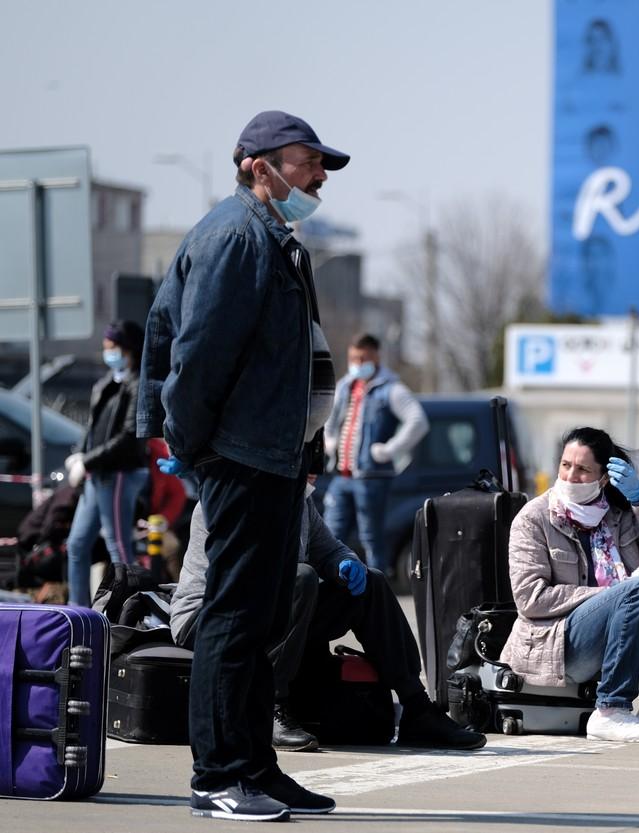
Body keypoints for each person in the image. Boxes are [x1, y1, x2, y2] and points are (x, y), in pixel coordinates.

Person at [137, 110, 349, 821]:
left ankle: (257, 764)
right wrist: (197, 449)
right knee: (231, 617)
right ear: (259, 167)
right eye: (306, 163)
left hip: (275, 459)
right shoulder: (235, 237)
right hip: (241, 460)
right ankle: (217, 773)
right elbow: (193, 357)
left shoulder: (274, 239)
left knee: (259, 619)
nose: (318, 178)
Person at [170, 488, 487, 753]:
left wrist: (345, 563)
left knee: (371, 583)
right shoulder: (228, 496)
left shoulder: (298, 500)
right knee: (299, 578)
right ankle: (268, 708)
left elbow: (327, 548)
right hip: (209, 618)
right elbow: (242, 579)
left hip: (264, 613)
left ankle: (417, 708)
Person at [500, 427, 639, 743]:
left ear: (603, 478)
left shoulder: (617, 513)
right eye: (566, 465)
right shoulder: (534, 518)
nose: (571, 476)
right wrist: (611, 595)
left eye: (583, 469)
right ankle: (611, 711)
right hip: (558, 644)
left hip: (619, 635)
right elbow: (531, 599)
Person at [323, 333, 428, 575]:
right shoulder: (345, 386)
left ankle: (375, 592)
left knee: (371, 538)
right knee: (329, 533)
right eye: (353, 358)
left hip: (372, 477)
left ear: (376, 356)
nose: (357, 364)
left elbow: (418, 421)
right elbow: (330, 416)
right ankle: (327, 588)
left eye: (363, 358)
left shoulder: (391, 389)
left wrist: (390, 449)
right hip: (342, 475)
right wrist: (329, 440)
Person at [65, 320, 149, 607]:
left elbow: (128, 438)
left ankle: (129, 609)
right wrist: (80, 454)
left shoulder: (138, 384)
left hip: (117, 475)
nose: (108, 353)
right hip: (97, 475)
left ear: (129, 350)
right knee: (77, 545)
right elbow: (93, 427)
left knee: (119, 547)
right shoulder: (107, 384)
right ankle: (78, 612)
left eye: (113, 347)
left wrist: (87, 461)